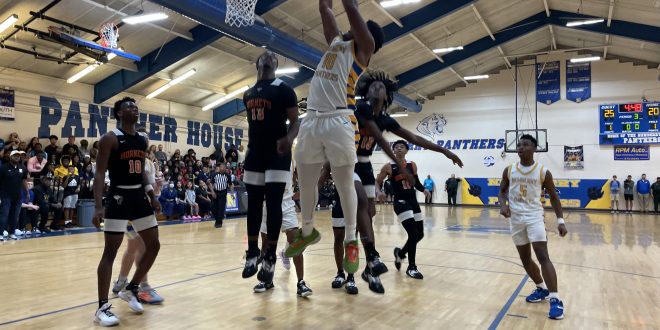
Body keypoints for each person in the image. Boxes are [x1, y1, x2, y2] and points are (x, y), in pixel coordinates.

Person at [288, 0, 385, 275]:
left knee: (344, 184)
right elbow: (325, 10)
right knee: (305, 181)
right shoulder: (337, 44)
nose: (355, 27)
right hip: (313, 120)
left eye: (362, 28)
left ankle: (352, 239)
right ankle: (307, 230)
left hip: (340, 119)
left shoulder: (363, 51)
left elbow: (352, 9)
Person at [92, 96, 161, 327]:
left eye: (135, 106)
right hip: (118, 197)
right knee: (110, 251)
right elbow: (100, 173)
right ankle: (102, 307)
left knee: (154, 245)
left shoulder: (142, 139)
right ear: (119, 113)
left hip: (139, 197)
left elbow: (141, 171)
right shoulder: (110, 138)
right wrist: (98, 205)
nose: (134, 109)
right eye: (129, 107)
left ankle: (132, 288)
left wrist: (152, 196)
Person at [241, 50, 300, 284]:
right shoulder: (247, 94)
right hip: (255, 153)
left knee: (274, 202)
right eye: (263, 56)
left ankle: (270, 256)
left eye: (272, 57)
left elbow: (296, 122)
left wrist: (289, 139)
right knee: (254, 204)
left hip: (278, 152)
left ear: (276, 64)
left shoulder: (284, 90)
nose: (267, 56)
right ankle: (253, 251)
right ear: (257, 63)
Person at [497, 134, 567, 320]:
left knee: (543, 256)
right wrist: (503, 205)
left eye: (525, 144)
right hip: (516, 219)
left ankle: (555, 299)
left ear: (534, 149)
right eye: (519, 145)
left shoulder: (543, 172)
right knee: (525, 259)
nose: (521, 147)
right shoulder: (509, 169)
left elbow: (553, 197)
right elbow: (502, 191)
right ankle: (541, 288)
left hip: (535, 217)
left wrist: (560, 221)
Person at [253, 161, 312, 297]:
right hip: (269, 205)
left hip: (286, 204)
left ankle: (301, 283)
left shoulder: (292, 159)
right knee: (266, 245)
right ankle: (267, 280)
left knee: (296, 244)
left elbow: (300, 176)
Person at [375, 141, 433, 280]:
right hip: (400, 202)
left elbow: (417, 182)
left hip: (413, 201)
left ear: (407, 150)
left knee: (420, 234)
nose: (399, 148)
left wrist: (424, 189)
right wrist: (379, 192)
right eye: (396, 147)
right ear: (393, 151)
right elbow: (377, 181)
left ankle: (400, 254)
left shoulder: (412, 165)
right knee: (413, 234)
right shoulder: (389, 167)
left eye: (402, 147)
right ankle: (411, 267)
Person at [0, 150, 29, 241]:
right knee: (4, 215)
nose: (17, 157)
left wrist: (27, 192)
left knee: (15, 216)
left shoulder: (22, 168)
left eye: (18, 156)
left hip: (18, 196)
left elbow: (24, 181)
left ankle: (11, 233)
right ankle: (0, 233)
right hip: (6, 195)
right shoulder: (3, 168)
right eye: (15, 156)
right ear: (10, 157)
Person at [211, 163, 232, 228]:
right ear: (219, 168)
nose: (222, 168)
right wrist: (212, 192)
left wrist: (232, 193)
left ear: (225, 168)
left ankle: (219, 222)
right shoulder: (214, 174)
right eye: (221, 167)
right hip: (216, 192)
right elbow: (211, 184)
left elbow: (230, 184)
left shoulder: (228, 175)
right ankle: (218, 219)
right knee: (213, 207)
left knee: (221, 208)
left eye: (223, 167)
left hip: (223, 193)